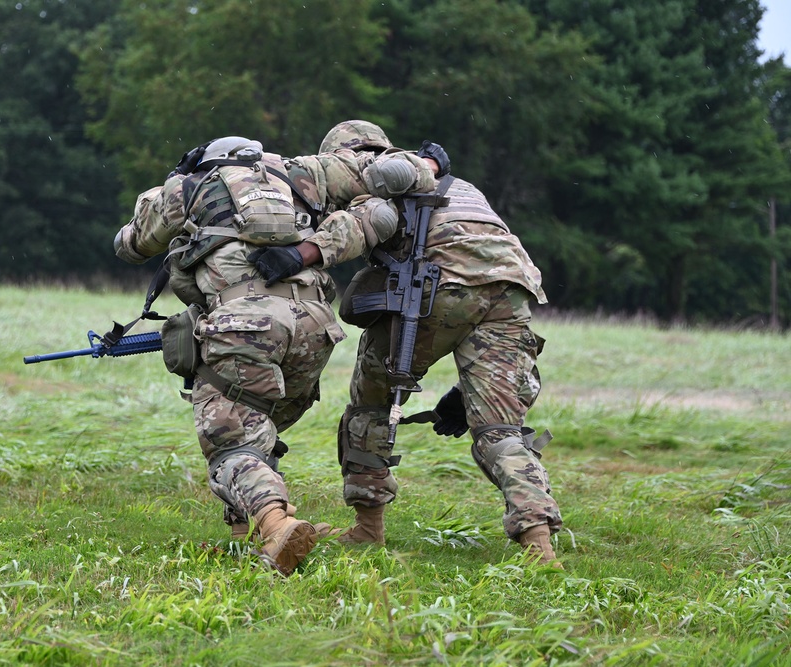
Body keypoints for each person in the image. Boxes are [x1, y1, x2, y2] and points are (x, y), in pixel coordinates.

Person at [113, 136, 440, 575]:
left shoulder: (187, 188)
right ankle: (245, 538)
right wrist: (429, 163)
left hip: (244, 323)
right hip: (313, 327)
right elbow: (395, 175)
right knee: (255, 426)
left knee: (232, 444)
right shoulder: (304, 172)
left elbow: (130, 245)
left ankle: (276, 525)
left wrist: (170, 187)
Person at [253, 120, 563, 567]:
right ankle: (540, 545)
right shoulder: (456, 183)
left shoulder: (378, 177)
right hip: (512, 286)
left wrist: (297, 256)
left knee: (371, 407)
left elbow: (360, 228)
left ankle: (367, 529)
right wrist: (470, 393)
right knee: (500, 430)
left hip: (437, 286)